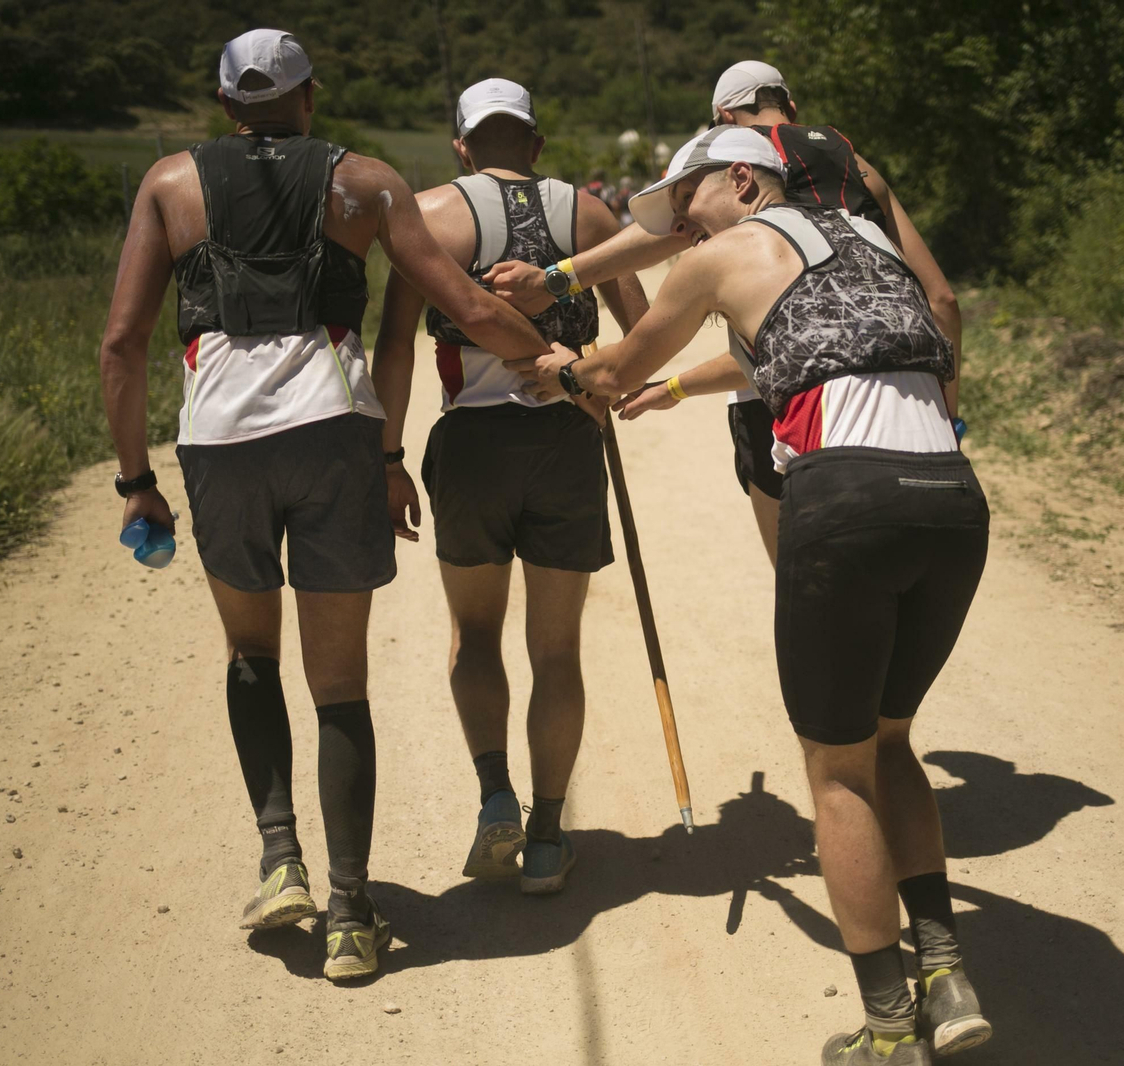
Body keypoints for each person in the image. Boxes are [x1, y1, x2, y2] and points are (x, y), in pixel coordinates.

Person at [511, 127, 991, 1064]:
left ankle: (890, 1026)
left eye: (689, 207)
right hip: (951, 500)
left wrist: (559, 372)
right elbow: (816, 346)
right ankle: (947, 970)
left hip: (846, 497)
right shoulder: (869, 241)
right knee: (891, 743)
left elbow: (613, 371)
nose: (684, 231)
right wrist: (688, 387)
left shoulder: (725, 252)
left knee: (837, 769)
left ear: (743, 180)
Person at [97, 30, 548, 981]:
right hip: (334, 435)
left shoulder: (170, 184)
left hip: (220, 444)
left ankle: (279, 861)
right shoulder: (367, 181)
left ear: (226, 106)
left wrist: (136, 479)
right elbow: (461, 305)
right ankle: (350, 912)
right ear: (309, 99)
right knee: (339, 682)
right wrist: (554, 362)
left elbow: (123, 343)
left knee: (251, 654)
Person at [485, 61, 960, 566]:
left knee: (805, 587)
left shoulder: (749, 159)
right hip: (920, 414)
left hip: (783, 401)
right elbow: (943, 305)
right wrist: (950, 418)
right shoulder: (855, 166)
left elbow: (667, 232)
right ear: (790, 105)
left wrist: (556, 279)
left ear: (724, 120)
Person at [373, 79, 648, 895]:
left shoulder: (426, 216)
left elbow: (392, 346)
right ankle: (550, 833)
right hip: (566, 444)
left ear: (462, 145)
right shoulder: (591, 215)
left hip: (470, 447)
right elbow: (641, 340)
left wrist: (387, 459)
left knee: (477, 634)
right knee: (556, 649)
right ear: (533, 143)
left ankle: (496, 796)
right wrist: (598, 390)